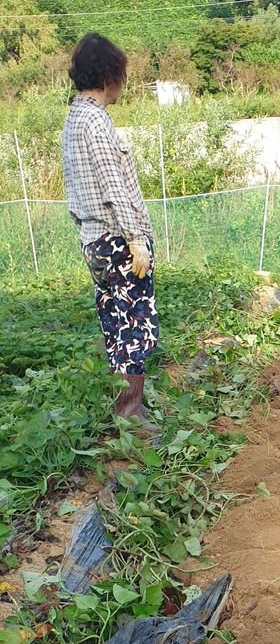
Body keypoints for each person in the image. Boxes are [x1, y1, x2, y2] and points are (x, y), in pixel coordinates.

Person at [61, 32, 159, 432]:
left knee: (116, 324)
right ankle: (130, 418)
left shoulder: (73, 118)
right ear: (108, 74)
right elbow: (112, 185)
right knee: (134, 327)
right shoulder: (96, 121)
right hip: (117, 240)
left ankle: (127, 414)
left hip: (95, 240)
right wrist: (136, 238)